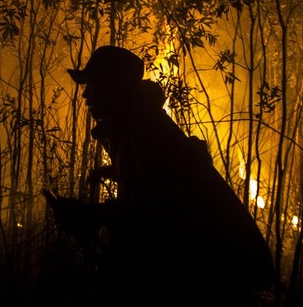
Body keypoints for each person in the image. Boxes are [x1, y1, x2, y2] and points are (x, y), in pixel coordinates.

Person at [43, 45, 273, 306]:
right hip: (210, 265)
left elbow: (167, 205)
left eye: (93, 85)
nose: (85, 94)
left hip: (219, 271)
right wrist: (112, 175)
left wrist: (96, 215)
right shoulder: (137, 126)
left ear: (114, 89)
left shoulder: (148, 130)